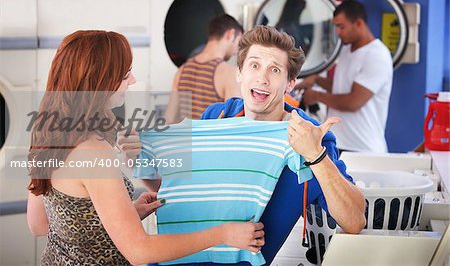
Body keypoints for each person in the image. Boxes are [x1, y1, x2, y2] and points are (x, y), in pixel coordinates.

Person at [121, 26, 365, 265]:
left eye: (275, 70)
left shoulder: (309, 136)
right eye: (255, 65)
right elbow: (183, 193)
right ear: (239, 73)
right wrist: (140, 163)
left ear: (290, 83)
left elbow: (355, 220)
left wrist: (316, 155)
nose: (262, 78)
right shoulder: (217, 117)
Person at [26, 30, 264, 266]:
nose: (132, 81)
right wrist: (223, 234)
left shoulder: (48, 129)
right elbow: (140, 251)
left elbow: (40, 224)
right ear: (101, 80)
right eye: (125, 74)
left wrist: (128, 214)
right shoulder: (94, 151)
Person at [298, 0, 393, 154]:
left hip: (362, 149)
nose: (338, 32)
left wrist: (316, 96)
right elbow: (341, 87)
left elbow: (353, 101)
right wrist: (316, 80)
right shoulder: (346, 50)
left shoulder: (377, 55)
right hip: (338, 143)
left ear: (359, 24)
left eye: (341, 27)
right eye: (336, 27)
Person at [164, 14, 243, 123]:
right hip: (211, 139)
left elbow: (170, 119)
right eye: (239, 42)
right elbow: (234, 123)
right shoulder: (228, 73)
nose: (236, 52)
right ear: (231, 34)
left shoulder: (182, 70)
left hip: (185, 139)